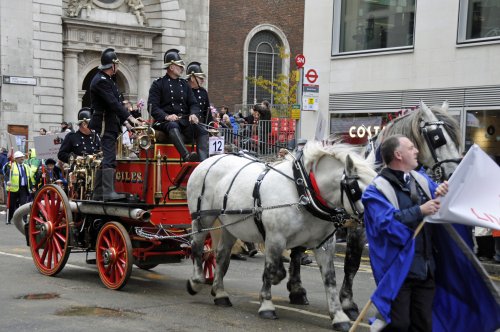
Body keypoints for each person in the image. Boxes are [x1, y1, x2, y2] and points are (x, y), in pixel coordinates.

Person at [362, 134, 449, 331]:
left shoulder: (422, 180)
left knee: (423, 325)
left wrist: (443, 192)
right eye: (411, 148)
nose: (417, 151)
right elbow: (386, 223)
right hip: (398, 271)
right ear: (398, 154)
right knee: (399, 325)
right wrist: (420, 210)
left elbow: (439, 205)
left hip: (426, 269)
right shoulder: (375, 191)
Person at [89, 48, 142, 201]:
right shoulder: (100, 81)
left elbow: (116, 104)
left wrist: (127, 122)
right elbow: (113, 104)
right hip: (105, 123)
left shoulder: (107, 80)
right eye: (116, 65)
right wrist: (130, 118)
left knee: (108, 156)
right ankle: (108, 192)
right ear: (112, 65)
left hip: (111, 122)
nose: (117, 68)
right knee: (109, 157)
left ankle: (99, 192)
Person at [148, 49, 208, 162]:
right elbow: (152, 107)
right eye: (179, 66)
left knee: (202, 130)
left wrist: (194, 114)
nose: (182, 68)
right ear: (171, 67)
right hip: (165, 122)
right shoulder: (158, 84)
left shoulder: (184, 84)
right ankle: (186, 156)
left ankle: (203, 163)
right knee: (172, 126)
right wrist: (166, 116)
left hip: (184, 121)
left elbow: (193, 104)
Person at [3, 151, 35, 224]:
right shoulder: (11, 165)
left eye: (22, 157)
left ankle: (24, 220)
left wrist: (32, 186)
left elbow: (28, 177)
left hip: (23, 189)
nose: (22, 158)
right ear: (16, 158)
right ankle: (9, 219)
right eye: (20, 157)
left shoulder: (26, 166)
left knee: (23, 205)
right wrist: (8, 181)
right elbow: (7, 175)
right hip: (13, 190)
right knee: (11, 206)